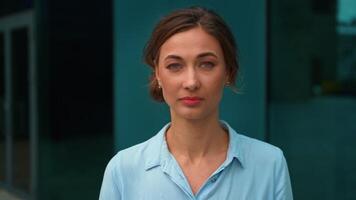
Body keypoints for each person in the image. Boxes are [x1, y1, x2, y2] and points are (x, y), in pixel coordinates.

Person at [99, 6, 293, 200]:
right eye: (175, 66)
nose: (191, 82)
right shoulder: (123, 170)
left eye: (207, 64)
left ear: (228, 72)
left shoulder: (270, 164)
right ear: (158, 74)